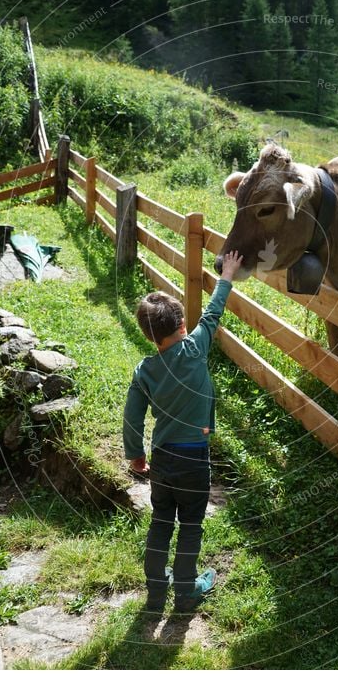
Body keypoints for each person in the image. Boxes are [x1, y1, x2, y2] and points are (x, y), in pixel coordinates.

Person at [123, 250, 243, 615]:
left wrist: (136, 455)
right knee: (191, 525)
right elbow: (214, 312)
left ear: (149, 335)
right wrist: (228, 277)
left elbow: (132, 416)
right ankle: (187, 592)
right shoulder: (194, 348)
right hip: (194, 461)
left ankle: (156, 593)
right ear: (181, 327)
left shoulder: (145, 370)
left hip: (162, 461)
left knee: (161, 521)